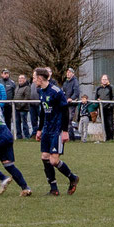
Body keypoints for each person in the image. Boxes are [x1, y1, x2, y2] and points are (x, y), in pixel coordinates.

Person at [34, 67, 80, 195]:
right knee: (44, 157)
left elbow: (65, 111)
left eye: (33, 77)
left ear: (40, 78)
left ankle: (72, 177)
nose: (33, 80)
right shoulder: (41, 92)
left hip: (57, 129)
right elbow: (43, 111)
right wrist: (39, 129)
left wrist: (65, 131)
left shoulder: (56, 91)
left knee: (54, 160)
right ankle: (54, 189)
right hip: (47, 129)